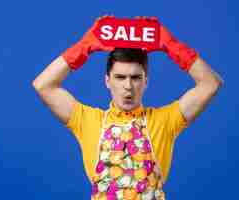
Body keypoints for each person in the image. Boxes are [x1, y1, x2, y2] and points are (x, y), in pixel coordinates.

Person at [32, 16, 223, 200]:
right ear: (107, 81)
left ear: (146, 81)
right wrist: (84, 47)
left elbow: (210, 84)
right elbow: (43, 85)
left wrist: (170, 45)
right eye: (120, 77)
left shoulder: (165, 120)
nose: (128, 86)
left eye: (136, 78)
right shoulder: (87, 120)